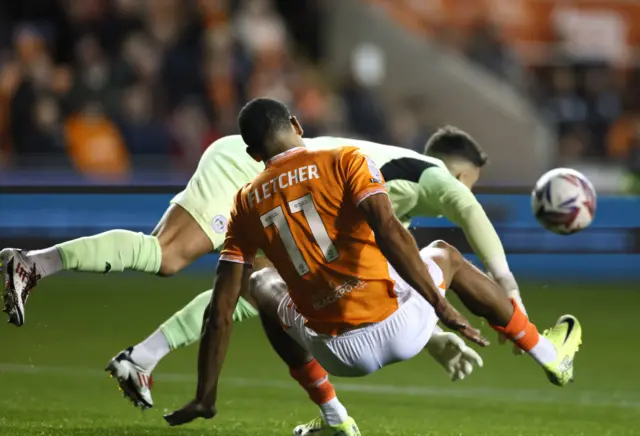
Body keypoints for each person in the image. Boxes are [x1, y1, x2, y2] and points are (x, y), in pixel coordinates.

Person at [1, 128, 513, 406]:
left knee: (252, 284)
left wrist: (432, 336)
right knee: (170, 256)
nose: (466, 191)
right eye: (471, 182)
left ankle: (139, 355)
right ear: (458, 171)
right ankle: (35, 266)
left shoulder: (390, 199)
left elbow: (372, 297)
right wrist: (505, 283)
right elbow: (468, 211)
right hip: (254, 166)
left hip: (265, 172)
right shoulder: (428, 180)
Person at [162, 98, 582, 436]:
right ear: (296, 124)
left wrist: (206, 394)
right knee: (444, 253)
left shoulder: (244, 203)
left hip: (336, 353)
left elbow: (220, 311)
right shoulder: (344, 158)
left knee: (259, 285)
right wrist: (440, 304)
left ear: (254, 154)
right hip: (401, 327)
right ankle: (549, 356)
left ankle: (335, 419)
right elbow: (389, 230)